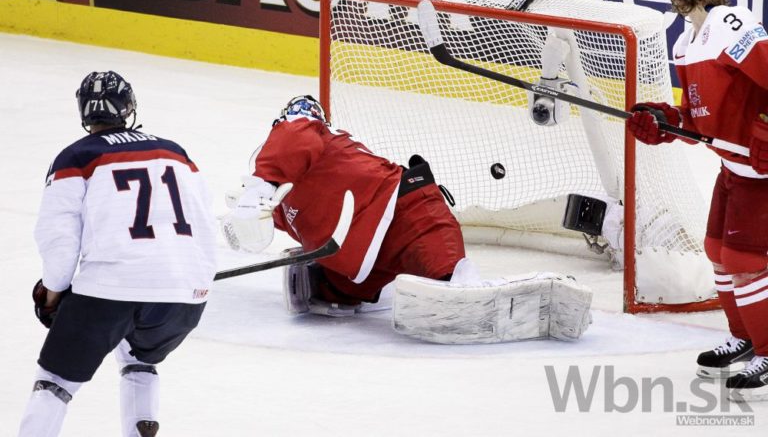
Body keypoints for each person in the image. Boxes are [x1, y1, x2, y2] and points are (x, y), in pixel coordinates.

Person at [221, 95, 592, 342]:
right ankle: (379, 290)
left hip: (407, 215)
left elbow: (295, 132)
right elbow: (261, 215)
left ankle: (533, 293)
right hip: (360, 266)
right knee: (320, 293)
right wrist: (242, 221)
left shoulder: (303, 129)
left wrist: (260, 187)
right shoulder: (286, 196)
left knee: (455, 292)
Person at [18, 71, 218, 436]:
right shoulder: (176, 153)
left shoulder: (76, 157)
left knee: (55, 381)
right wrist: (195, 283)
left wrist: (53, 292)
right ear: (128, 108)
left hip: (110, 290)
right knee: (139, 361)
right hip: (184, 295)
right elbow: (205, 224)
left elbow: (59, 242)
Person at [627, 0, 768, 402]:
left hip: (759, 174)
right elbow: (697, 122)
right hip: (733, 167)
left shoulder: (732, 23)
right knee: (716, 251)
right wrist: (663, 122)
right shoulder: (686, 44)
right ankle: (745, 337)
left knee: (745, 260)